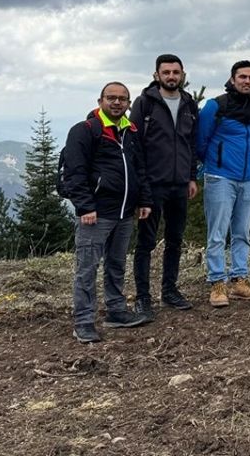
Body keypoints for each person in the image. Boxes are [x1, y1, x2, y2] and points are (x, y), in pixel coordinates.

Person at [64, 82, 152, 343]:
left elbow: (140, 170)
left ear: (128, 104)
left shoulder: (130, 132)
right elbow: (74, 172)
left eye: (122, 99)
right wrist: (85, 206)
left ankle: (115, 311)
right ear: (100, 100)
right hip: (97, 214)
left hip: (125, 213)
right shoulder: (85, 131)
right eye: (111, 98)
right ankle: (83, 321)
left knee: (116, 264)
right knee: (87, 268)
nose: (117, 103)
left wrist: (144, 200)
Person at [129, 54, 199, 318]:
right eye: (166, 72)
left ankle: (169, 291)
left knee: (175, 240)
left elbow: (191, 144)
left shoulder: (189, 104)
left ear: (182, 74)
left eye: (176, 72)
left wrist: (191, 177)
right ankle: (143, 297)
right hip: (152, 185)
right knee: (145, 243)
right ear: (157, 74)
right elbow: (135, 147)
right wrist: (142, 187)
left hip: (180, 183)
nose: (171, 76)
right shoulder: (144, 103)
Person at [197, 61, 250, 306]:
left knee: (243, 232)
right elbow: (201, 140)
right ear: (233, 78)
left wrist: (249, 167)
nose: (247, 81)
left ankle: (239, 280)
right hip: (220, 176)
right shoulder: (215, 106)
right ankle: (217, 283)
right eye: (242, 76)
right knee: (217, 233)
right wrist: (217, 161)